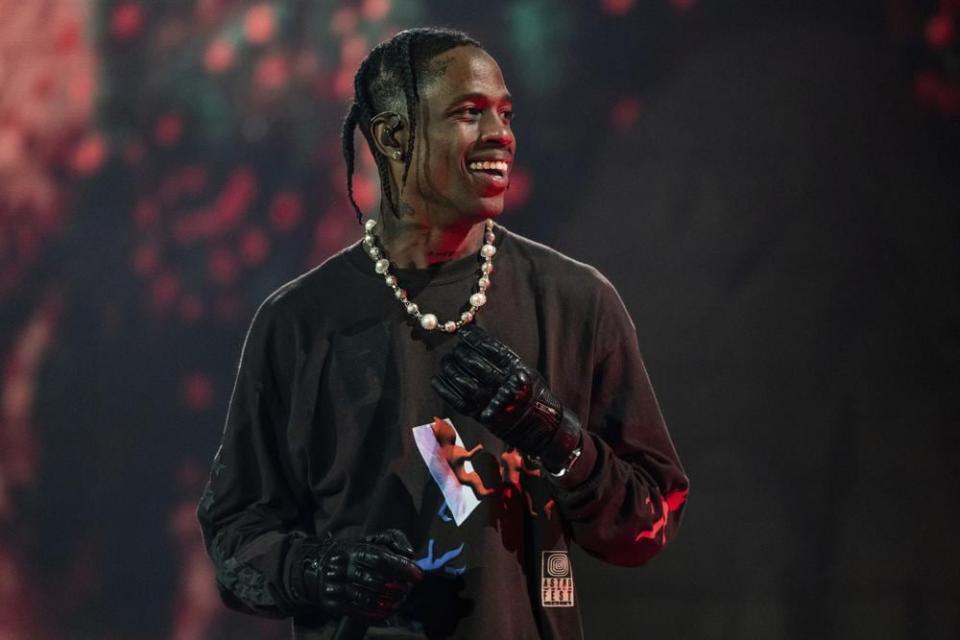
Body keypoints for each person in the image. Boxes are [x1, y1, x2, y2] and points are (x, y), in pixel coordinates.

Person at [197, 27, 689, 640]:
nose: (501, 135)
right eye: (468, 113)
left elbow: (649, 520)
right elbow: (236, 533)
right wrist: (319, 572)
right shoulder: (298, 322)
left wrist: (559, 439)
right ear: (393, 136)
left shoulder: (577, 302)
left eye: (506, 114)